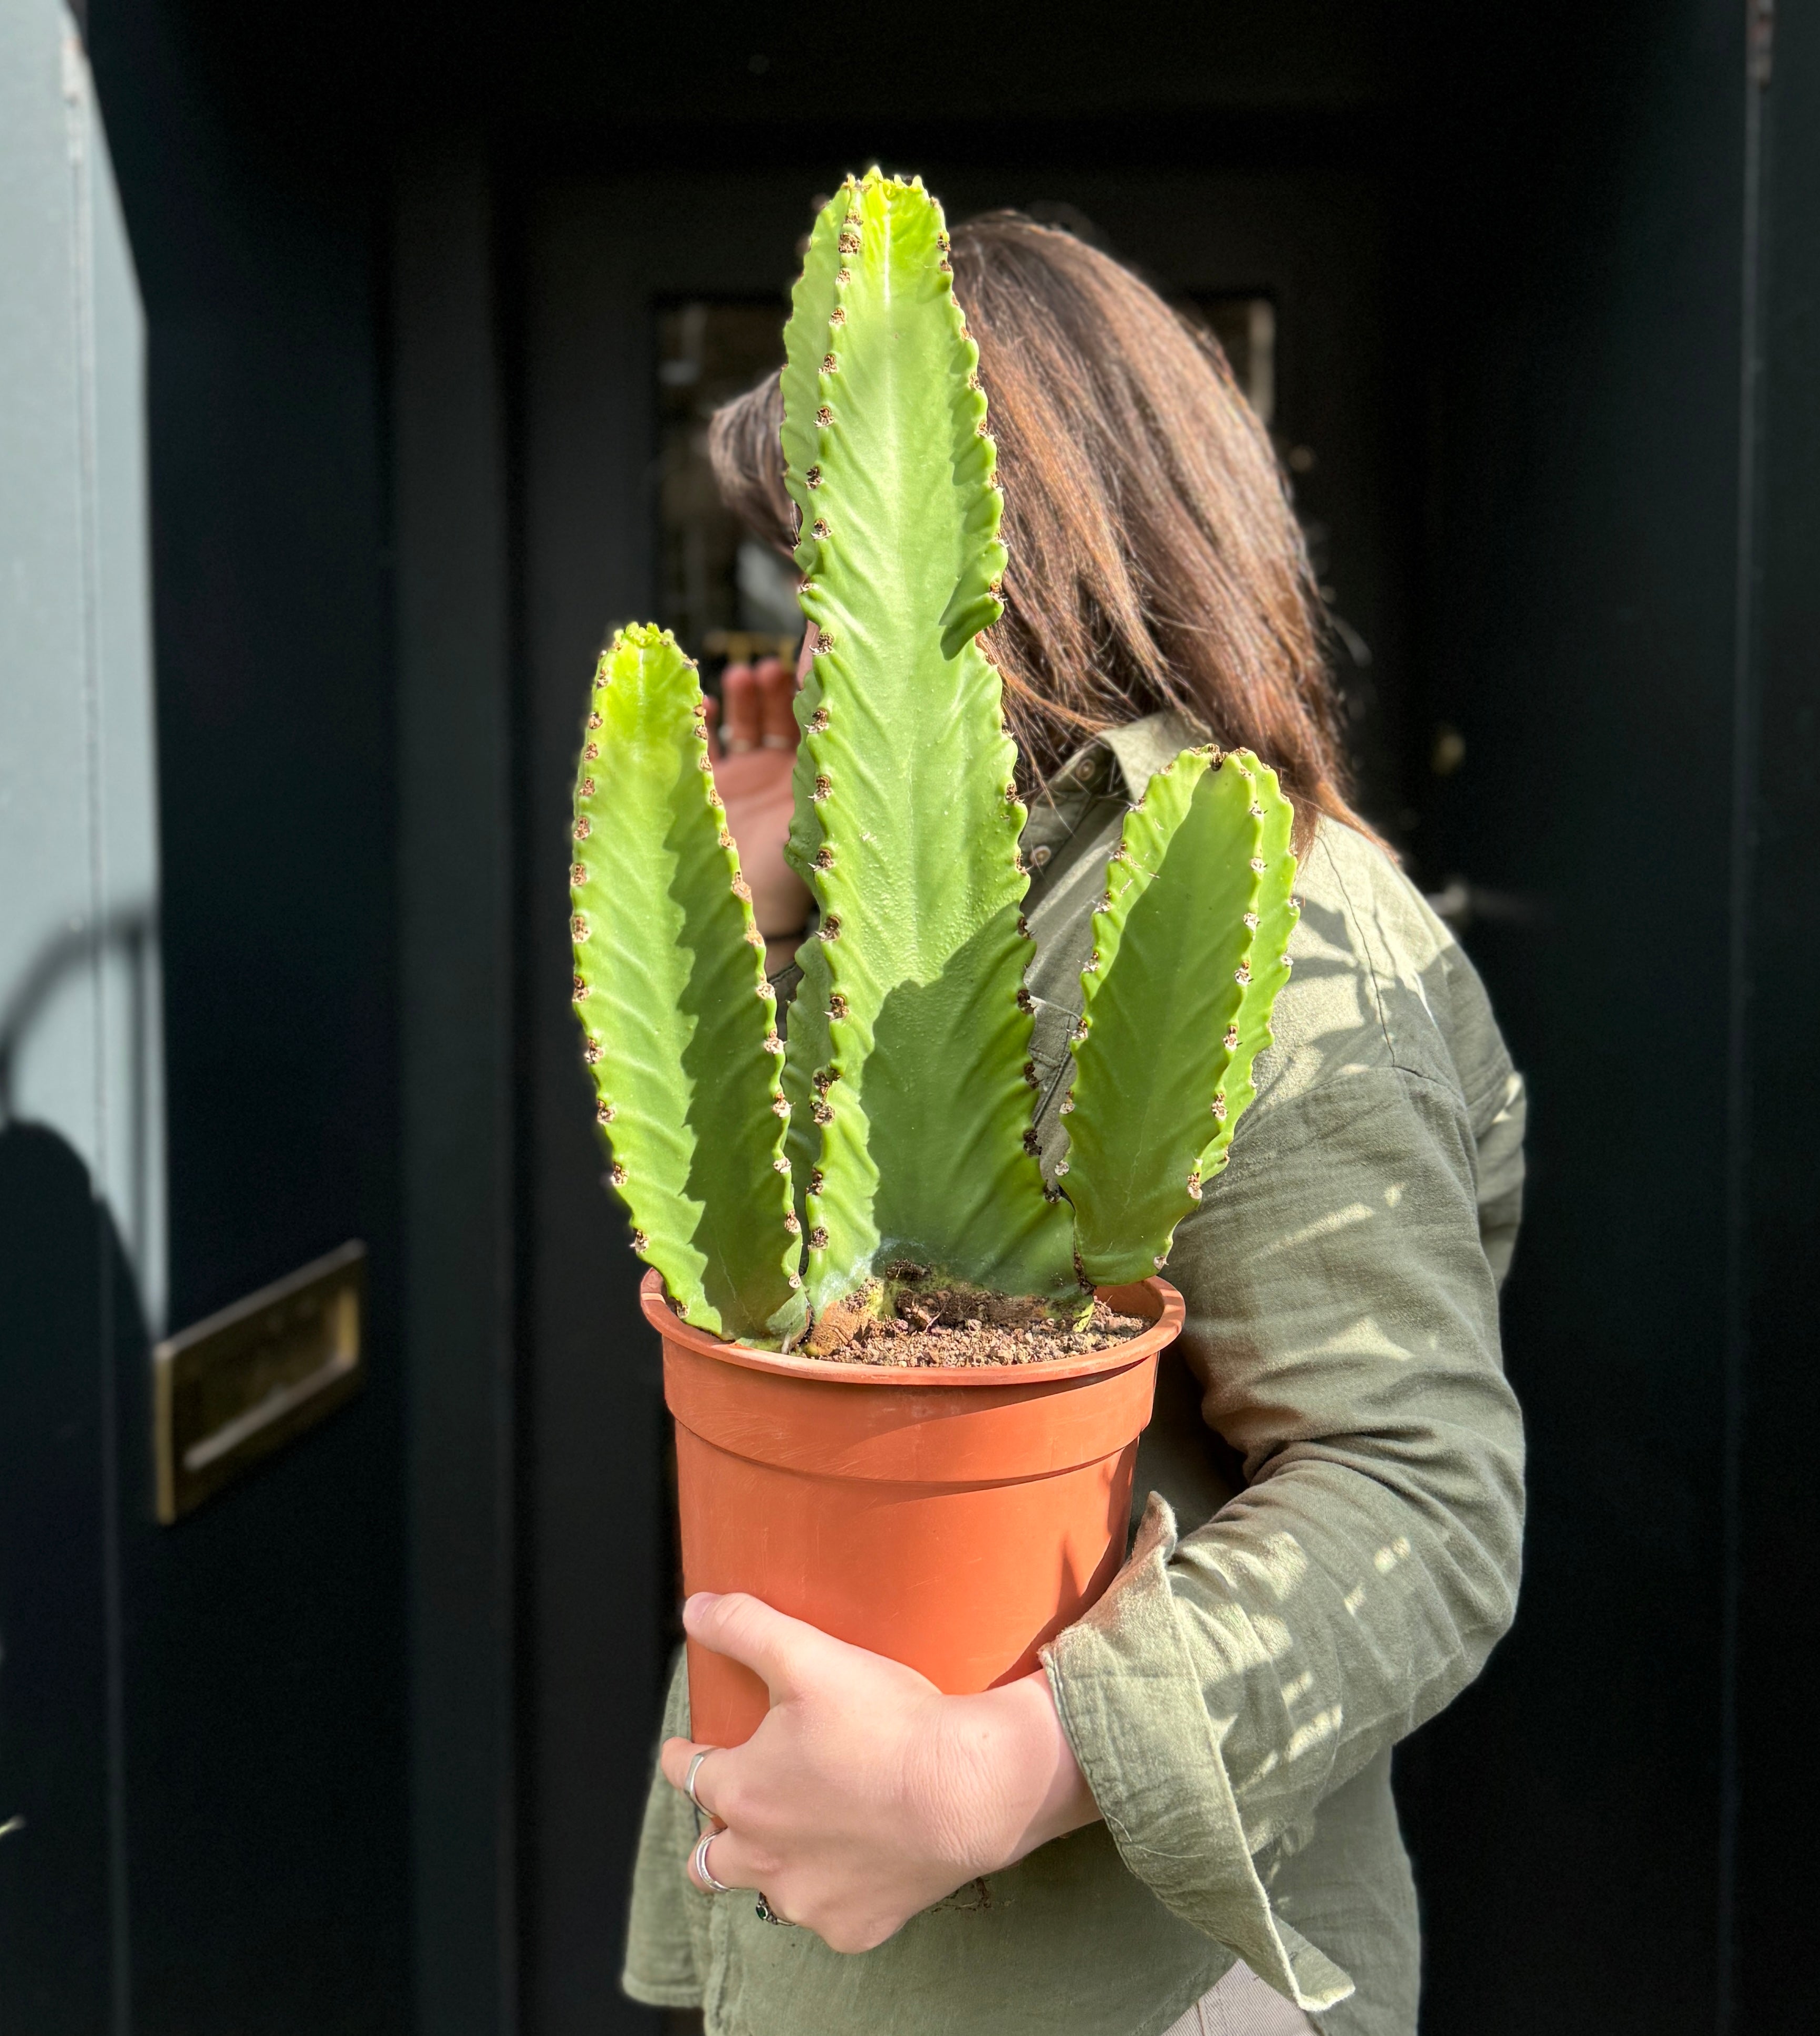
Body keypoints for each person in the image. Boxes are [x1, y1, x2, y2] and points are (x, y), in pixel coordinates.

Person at [622, 213, 1527, 2036]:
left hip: (1115, 1980)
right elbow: (827, 1326)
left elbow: (1419, 1501)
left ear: (1004, 543)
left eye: (825, 552)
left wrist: (991, 1772)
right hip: (851, 1937)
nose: (805, 616)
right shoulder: (940, 901)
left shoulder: (1274, 910)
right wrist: (755, 927)